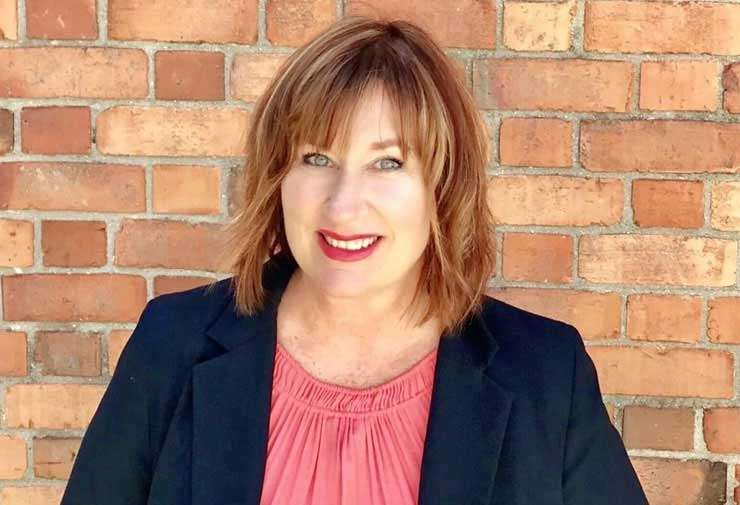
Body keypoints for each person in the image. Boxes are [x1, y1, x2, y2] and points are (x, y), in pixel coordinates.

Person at [59, 15, 649, 505]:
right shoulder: (173, 343)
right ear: (276, 178)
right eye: (316, 158)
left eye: (388, 163)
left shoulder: (545, 373)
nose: (343, 204)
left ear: (441, 188)